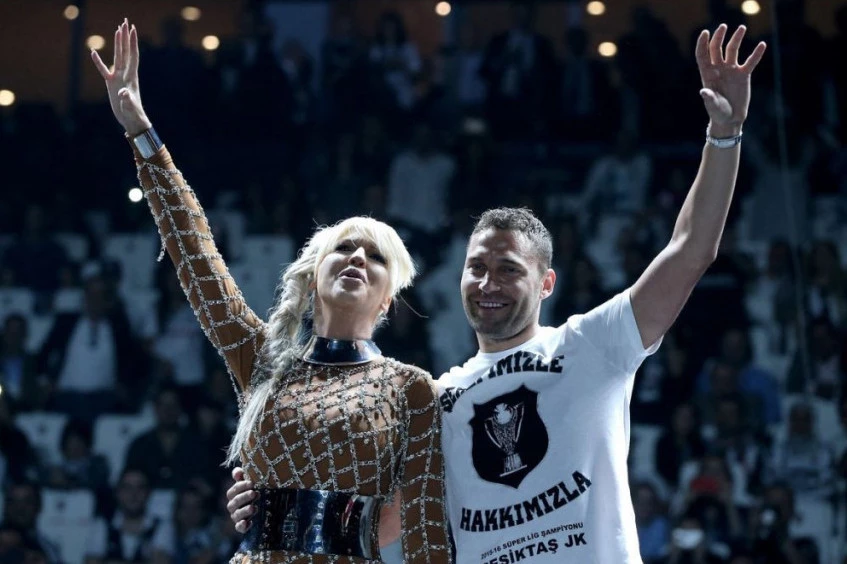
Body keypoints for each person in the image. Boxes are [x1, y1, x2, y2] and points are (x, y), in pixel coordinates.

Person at [228, 23, 766, 563]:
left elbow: (691, 250)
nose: (488, 283)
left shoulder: (593, 344)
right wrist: (269, 507)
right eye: (476, 268)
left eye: (509, 269)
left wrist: (724, 135)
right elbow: (381, 518)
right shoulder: (436, 398)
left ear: (547, 283)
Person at [92, 19, 450, 564]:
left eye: (376, 256)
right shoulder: (264, 359)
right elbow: (196, 257)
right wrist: (141, 131)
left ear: (388, 300)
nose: (358, 257)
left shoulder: (412, 389)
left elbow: (426, 531)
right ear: (312, 277)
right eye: (344, 248)